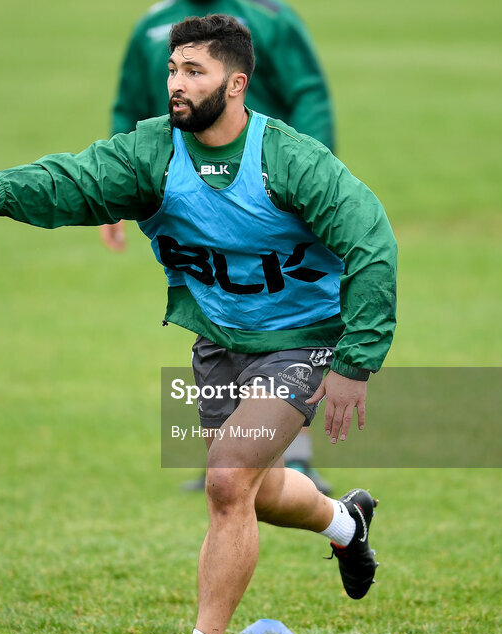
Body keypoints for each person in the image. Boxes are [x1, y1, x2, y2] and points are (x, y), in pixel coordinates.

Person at [0, 15, 396, 634]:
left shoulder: (288, 158)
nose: (175, 83)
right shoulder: (154, 151)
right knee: (251, 489)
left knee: (228, 480)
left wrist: (357, 360)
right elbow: (79, 180)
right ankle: (348, 524)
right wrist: (3, 190)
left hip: (301, 339)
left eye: (194, 72)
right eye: (173, 69)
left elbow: (371, 242)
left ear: (235, 85)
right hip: (217, 341)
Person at [105, 0, 338, 494]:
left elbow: (309, 93)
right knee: (224, 314)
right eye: (176, 70)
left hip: (270, 193)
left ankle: (293, 459)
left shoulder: (268, 18)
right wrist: (118, 191)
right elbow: (127, 106)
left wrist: (311, 183)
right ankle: (241, 465)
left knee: (282, 314)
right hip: (193, 194)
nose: (178, 78)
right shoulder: (153, 24)